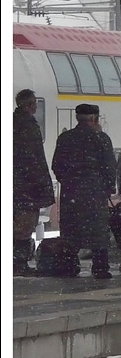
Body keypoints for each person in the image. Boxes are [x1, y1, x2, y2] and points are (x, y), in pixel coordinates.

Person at [51, 103, 117, 279]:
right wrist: (108, 186)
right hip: (95, 192)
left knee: (71, 230)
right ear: (94, 118)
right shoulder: (101, 139)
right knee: (98, 231)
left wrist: (68, 181)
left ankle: (69, 265)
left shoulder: (65, 138)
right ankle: (100, 267)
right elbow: (110, 166)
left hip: (71, 192)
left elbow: (56, 165)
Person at [14, 89, 56, 276]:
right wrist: (41, 184)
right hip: (27, 187)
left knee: (16, 223)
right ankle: (19, 263)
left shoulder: (13, 122)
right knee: (25, 225)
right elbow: (35, 159)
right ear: (30, 105)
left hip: (16, 185)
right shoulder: (28, 126)